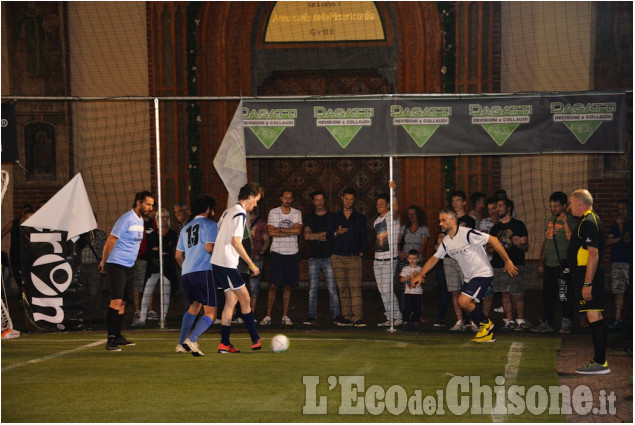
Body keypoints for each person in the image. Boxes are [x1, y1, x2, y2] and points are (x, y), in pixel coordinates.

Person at [411, 208, 518, 342]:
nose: (440, 224)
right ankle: (487, 333)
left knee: (463, 301)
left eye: (443, 220)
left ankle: (486, 324)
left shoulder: (467, 233)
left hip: (482, 273)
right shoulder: (446, 241)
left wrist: (507, 261)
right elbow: (434, 258)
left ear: (453, 221)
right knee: (465, 305)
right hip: (469, 277)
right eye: (439, 221)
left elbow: (494, 240)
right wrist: (421, 274)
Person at [98, 190, 155, 351]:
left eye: (151, 205)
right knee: (116, 301)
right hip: (116, 264)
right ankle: (110, 340)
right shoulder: (126, 219)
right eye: (147, 204)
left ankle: (118, 336)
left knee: (123, 302)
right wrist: (103, 261)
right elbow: (111, 240)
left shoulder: (140, 221)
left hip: (129, 265)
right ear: (139, 202)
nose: (150, 207)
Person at [211, 182, 264, 353]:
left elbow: (218, 232)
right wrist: (251, 264)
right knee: (246, 298)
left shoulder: (228, 211)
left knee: (231, 300)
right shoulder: (240, 214)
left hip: (219, 262)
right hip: (226, 263)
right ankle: (255, 338)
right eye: (256, 200)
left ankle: (224, 343)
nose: (256, 204)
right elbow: (235, 241)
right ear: (250, 196)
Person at [567, 189, 610, 374]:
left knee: (594, 316)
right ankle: (599, 361)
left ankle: (600, 362)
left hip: (588, 276)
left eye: (570, 203)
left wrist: (587, 283)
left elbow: (593, 255)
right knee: (595, 316)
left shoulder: (589, 222)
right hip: (586, 275)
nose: (569, 208)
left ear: (579, 203)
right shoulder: (587, 220)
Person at [174, 195, 218, 356]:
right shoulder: (211, 225)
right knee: (211, 313)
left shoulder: (186, 227)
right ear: (208, 209)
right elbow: (209, 247)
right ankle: (192, 340)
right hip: (203, 271)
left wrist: (186, 267)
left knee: (194, 307)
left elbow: (178, 255)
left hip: (187, 273)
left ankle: (180, 344)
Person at [534, 192, 577, 334]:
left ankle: (567, 321)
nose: (553, 208)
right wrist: (541, 262)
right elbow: (546, 242)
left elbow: (573, 241)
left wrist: (565, 222)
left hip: (563, 264)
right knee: (548, 295)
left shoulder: (571, 219)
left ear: (564, 206)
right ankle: (547, 322)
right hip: (550, 264)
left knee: (564, 294)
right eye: (551, 205)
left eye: (556, 205)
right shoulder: (551, 220)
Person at [327, 188, 368, 327]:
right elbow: (328, 236)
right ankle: (347, 317)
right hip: (337, 257)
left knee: (355, 288)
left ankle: (358, 317)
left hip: (353, 258)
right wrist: (336, 233)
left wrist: (361, 252)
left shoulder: (360, 218)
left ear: (354, 201)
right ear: (342, 199)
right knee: (342, 289)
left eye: (351, 199)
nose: (348, 201)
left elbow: (365, 238)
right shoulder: (334, 217)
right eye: (346, 199)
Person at [260, 189, 302, 326]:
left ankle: (285, 315)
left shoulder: (297, 213)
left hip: (292, 253)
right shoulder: (273, 212)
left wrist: (279, 230)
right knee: (272, 285)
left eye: (290, 198)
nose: (287, 200)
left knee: (288, 286)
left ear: (292, 199)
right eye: (285, 197)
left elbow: (298, 231)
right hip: (277, 252)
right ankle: (268, 315)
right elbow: (270, 232)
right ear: (281, 198)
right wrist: (289, 232)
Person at [489, 198, 531, 331]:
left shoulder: (519, 225)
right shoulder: (495, 228)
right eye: (497, 206)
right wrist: (494, 247)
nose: (497, 209)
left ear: (509, 208)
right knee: (504, 294)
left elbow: (526, 247)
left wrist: (519, 243)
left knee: (517, 293)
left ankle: (520, 320)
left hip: (515, 264)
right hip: (499, 265)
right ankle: (509, 321)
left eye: (500, 206)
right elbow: (489, 248)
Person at [303, 190, 342, 326]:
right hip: (313, 257)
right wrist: (323, 235)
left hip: (329, 256)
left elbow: (333, 235)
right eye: (317, 200)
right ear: (313, 202)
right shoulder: (309, 217)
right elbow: (307, 236)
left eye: (321, 199)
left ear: (324, 200)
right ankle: (312, 316)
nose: (319, 202)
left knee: (332, 288)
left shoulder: (332, 217)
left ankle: (336, 315)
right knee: (313, 288)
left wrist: (317, 235)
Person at [133, 208, 178, 327]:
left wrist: (159, 250)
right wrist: (160, 251)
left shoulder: (172, 234)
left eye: (165, 217)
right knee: (147, 291)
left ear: (168, 219)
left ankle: (163, 319)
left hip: (167, 268)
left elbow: (169, 250)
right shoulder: (152, 235)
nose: (162, 220)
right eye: (160, 217)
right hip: (153, 267)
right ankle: (142, 318)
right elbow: (150, 252)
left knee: (165, 292)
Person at [445, 190, 477, 332]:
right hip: (449, 259)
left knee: (468, 291)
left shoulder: (470, 221)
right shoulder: (447, 220)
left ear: (464, 202)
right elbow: (440, 240)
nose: (455, 204)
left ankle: (473, 320)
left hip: (464, 259)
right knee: (454, 291)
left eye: (458, 200)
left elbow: (468, 240)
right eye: (453, 201)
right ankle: (459, 320)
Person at [373, 191, 402, 327]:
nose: (379, 206)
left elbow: (396, 210)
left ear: (388, 205)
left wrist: (393, 192)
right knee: (382, 290)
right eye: (378, 204)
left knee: (387, 289)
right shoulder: (376, 221)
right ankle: (390, 317)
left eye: (382, 204)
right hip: (377, 260)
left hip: (389, 260)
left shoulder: (392, 218)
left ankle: (398, 317)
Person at [78, 216, 108, 326]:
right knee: (85, 292)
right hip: (82, 265)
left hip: (94, 265)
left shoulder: (99, 234)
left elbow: (105, 249)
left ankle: (96, 316)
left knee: (95, 292)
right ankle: (87, 315)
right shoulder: (80, 234)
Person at [606, 199, 632, 329]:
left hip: (629, 263)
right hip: (617, 262)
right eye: (619, 209)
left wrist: (622, 232)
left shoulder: (630, 224)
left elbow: (627, 239)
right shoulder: (615, 224)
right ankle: (617, 318)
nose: (621, 211)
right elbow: (608, 241)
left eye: (624, 209)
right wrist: (618, 238)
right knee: (619, 291)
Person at [1, 204, 34, 292]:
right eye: (25, 216)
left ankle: (24, 294)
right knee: (17, 274)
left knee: (28, 275)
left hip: (28, 254)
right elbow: (3, 232)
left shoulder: (33, 227)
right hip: (16, 253)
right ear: (22, 215)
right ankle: (22, 292)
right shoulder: (14, 223)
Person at [132, 209, 156, 322]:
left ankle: (149, 309)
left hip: (151, 259)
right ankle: (137, 310)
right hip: (140, 258)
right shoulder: (138, 222)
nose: (153, 212)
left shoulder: (154, 223)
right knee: (138, 285)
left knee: (150, 285)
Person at [476, 197, 498, 317]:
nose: (492, 211)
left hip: (500, 260)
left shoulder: (503, 222)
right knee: (486, 291)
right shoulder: (484, 222)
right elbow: (485, 239)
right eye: (489, 209)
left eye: (494, 208)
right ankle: (482, 319)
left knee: (501, 291)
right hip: (487, 260)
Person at [248, 210, 270, 312]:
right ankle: (240, 313)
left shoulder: (261, 223)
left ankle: (251, 312)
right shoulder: (241, 221)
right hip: (243, 258)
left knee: (254, 286)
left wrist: (260, 254)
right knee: (241, 286)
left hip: (255, 257)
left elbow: (266, 241)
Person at [400, 250, 423, 329]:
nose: (412, 260)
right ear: (408, 259)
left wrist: (418, 276)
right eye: (410, 258)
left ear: (417, 259)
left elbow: (423, 280)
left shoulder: (420, 269)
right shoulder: (405, 268)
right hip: (408, 292)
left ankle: (415, 321)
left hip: (417, 292)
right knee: (408, 307)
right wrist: (409, 277)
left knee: (417, 307)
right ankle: (406, 321)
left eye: (414, 258)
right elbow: (401, 280)